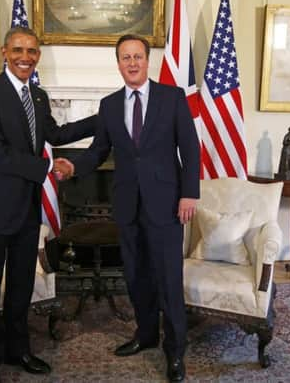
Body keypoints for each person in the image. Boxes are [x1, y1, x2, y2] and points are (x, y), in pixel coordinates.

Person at [55, 34, 200, 382]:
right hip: (127, 206)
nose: (132, 63)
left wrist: (189, 194)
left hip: (166, 204)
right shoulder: (109, 105)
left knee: (168, 278)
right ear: (118, 63)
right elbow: (98, 151)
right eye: (125, 57)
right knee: (135, 277)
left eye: (137, 56)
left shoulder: (172, 97)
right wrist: (74, 167)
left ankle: (175, 352)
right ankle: (146, 335)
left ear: (148, 61)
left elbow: (190, 149)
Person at [0, 26, 96, 383]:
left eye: (32, 51)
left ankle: (18, 350)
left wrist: (104, 119)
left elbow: (56, 135)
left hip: (25, 207)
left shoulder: (38, 95)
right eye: (18, 50)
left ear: (38, 56)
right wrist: (50, 167)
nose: (26, 57)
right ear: (4, 52)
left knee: (21, 284)